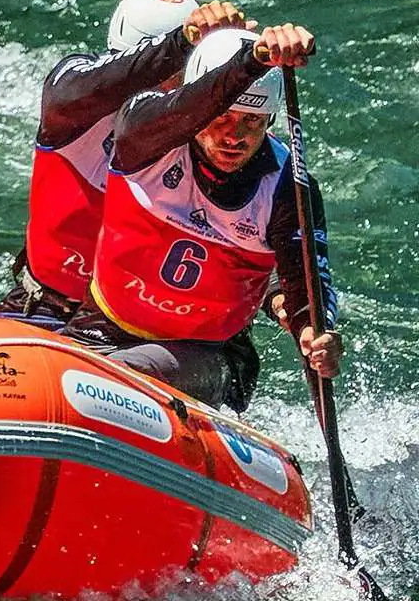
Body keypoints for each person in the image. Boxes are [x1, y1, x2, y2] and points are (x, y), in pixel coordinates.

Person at [61, 26, 342, 409]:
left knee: (109, 376)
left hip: (209, 357)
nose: (235, 136)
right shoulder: (143, 134)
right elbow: (188, 105)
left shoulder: (287, 188)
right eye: (223, 117)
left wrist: (313, 329)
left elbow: (305, 285)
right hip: (100, 329)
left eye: (253, 121)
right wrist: (255, 59)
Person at [0, 0, 254, 328]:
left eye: (180, 80)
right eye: (161, 75)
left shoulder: (214, 132)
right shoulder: (71, 97)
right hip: (49, 307)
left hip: (153, 335)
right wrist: (181, 43)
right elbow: (107, 82)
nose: (166, 92)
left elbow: (255, 228)